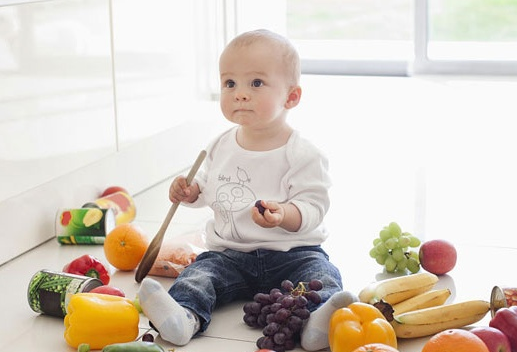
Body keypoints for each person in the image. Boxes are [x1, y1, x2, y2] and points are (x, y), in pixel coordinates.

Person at [138, 29, 357, 351]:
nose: (240, 94)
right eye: (230, 83)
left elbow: (313, 207)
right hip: (230, 254)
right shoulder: (220, 145)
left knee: (321, 275)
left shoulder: (303, 153)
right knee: (199, 276)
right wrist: (191, 192)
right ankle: (184, 317)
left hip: (292, 254)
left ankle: (315, 324)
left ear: (291, 97)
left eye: (256, 83)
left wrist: (284, 214)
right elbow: (209, 190)